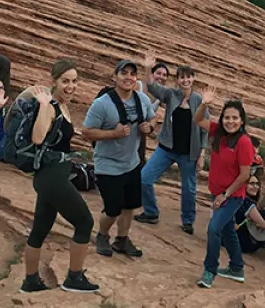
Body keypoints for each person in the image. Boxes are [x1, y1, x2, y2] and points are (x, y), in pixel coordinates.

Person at [16, 59, 99, 293]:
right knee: (85, 222)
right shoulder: (50, 105)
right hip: (53, 178)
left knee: (40, 229)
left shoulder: (62, 105)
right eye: (65, 81)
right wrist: (43, 105)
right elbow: (38, 137)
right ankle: (74, 278)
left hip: (51, 175)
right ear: (54, 80)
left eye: (74, 81)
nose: (70, 85)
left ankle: (30, 281)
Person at [80, 59, 155, 259]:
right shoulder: (102, 104)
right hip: (107, 164)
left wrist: (150, 127)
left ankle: (122, 239)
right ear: (114, 77)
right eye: (124, 73)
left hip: (132, 162)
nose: (128, 77)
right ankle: (103, 235)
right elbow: (86, 131)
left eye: (132, 73)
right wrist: (113, 134)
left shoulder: (142, 100)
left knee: (129, 206)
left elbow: (151, 118)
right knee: (112, 209)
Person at [193, 88, 256, 288]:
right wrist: (204, 103)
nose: (230, 121)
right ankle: (236, 268)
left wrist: (224, 195)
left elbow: (245, 175)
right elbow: (197, 119)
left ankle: (209, 270)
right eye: (227, 117)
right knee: (228, 230)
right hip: (217, 192)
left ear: (242, 121)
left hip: (232, 195)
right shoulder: (218, 132)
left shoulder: (244, 142)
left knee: (213, 229)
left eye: (235, 118)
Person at [136, 60, 206, 234]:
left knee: (189, 189)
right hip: (166, 148)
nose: (185, 80)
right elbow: (152, 87)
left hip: (189, 152)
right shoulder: (171, 94)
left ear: (193, 79)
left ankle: (188, 221)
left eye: (188, 77)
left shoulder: (199, 100)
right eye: (182, 77)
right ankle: (151, 212)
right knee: (144, 177)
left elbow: (205, 128)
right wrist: (147, 67)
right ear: (177, 81)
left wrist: (202, 154)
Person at [235, 174, 265, 254]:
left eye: (257, 184)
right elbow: (262, 223)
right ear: (244, 185)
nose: (255, 186)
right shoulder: (245, 201)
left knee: (263, 213)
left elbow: (259, 207)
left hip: (231, 239)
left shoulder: (241, 198)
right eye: (252, 183)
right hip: (242, 244)